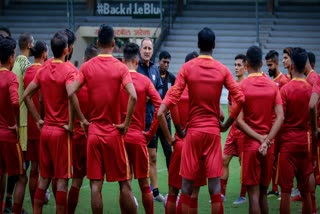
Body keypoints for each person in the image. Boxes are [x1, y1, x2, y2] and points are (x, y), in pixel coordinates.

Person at [157, 27, 245, 213]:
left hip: (193, 133)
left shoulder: (187, 68)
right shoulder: (222, 69)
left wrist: (180, 129)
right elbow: (240, 98)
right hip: (213, 132)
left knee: (186, 187)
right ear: (214, 45)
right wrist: (226, 125)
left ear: (198, 44)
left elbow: (173, 98)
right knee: (214, 187)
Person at [67, 24, 138, 214]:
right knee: (124, 184)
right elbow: (134, 96)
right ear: (114, 44)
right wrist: (126, 124)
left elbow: (70, 90)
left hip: (94, 134)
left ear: (98, 43)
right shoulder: (121, 67)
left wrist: (82, 119)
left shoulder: (87, 66)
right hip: (114, 132)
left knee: (95, 186)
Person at [23, 31, 79, 214]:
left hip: (45, 130)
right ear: (66, 50)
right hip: (61, 133)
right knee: (62, 181)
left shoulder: (43, 68)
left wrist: (39, 119)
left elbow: (26, 96)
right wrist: (71, 124)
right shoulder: (69, 70)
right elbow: (72, 95)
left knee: (43, 178)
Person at [121, 42, 169, 214]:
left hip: (120, 137)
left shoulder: (118, 79)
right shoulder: (144, 81)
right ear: (137, 59)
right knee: (144, 184)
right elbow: (162, 107)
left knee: (124, 184)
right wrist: (149, 132)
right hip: (139, 135)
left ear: (123, 60)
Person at [236, 46, 284, 214]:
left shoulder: (241, 86)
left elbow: (239, 121)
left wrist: (259, 139)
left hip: (250, 145)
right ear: (262, 63)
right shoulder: (272, 86)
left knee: (253, 195)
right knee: (263, 193)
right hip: (268, 147)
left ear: (247, 64)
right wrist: (267, 140)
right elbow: (280, 117)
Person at [164, 51, 207, 214]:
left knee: (173, 192)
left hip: (180, 144)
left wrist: (169, 138)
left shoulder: (176, 89)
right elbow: (221, 114)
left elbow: (160, 113)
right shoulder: (203, 91)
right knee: (192, 194)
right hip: (198, 145)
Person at [277, 47, 313, 214]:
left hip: (288, 144)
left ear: (291, 64)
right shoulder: (311, 90)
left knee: (285, 191)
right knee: (306, 191)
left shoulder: (285, 90)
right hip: (305, 143)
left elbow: (280, 119)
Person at [67, 44, 98, 214]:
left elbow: (70, 98)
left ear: (85, 59)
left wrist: (73, 124)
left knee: (76, 182)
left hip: (78, 137)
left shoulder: (75, 82)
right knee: (95, 183)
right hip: (95, 137)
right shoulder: (98, 84)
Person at [5, 32, 33, 214]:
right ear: (30, 44)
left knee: (11, 168)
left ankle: (7, 201)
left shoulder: (11, 65)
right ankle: (11, 206)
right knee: (22, 170)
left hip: (9, 120)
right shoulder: (25, 64)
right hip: (22, 123)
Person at [0, 35, 28, 214]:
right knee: (21, 176)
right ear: (11, 58)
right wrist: (16, 123)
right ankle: (15, 210)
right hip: (9, 137)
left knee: (0, 174)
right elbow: (15, 102)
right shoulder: (11, 77)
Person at [137, 37, 165, 202]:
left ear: (152, 50)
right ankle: (132, 191)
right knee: (138, 159)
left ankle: (155, 193)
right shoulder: (135, 68)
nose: (147, 51)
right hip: (137, 121)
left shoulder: (155, 69)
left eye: (149, 48)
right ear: (140, 51)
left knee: (153, 157)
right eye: (144, 48)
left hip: (151, 121)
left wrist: (154, 96)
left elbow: (161, 90)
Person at [23, 40, 48, 209]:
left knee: (33, 169)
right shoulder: (44, 72)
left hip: (28, 126)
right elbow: (44, 100)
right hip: (43, 125)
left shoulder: (27, 72)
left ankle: (34, 205)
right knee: (46, 170)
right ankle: (42, 199)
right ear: (45, 54)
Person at [221, 54, 247, 205]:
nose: (236, 68)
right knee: (224, 160)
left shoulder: (248, 85)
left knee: (244, 164)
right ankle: (222, 194)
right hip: (233, 130)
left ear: (245, 66)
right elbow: (231, 106)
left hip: (245, 132)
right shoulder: (233, 87)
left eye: (239, 65)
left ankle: (242, 195)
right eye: (235, 65)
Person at [264, 50, 289, 198]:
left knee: (279, 157)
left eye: (271, 65)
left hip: (280, 127)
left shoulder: (284, 81)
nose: (269, 68)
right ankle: (274, 188)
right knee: (272, 157)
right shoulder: (270, 81)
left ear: (277, 62)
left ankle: (283, 188)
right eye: (267, 65)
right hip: (270, 125)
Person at [156, 50, 175, 169]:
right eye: (164, 62)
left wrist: (171, 112)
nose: (166, 65)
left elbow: (176, 97)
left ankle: (172, 180)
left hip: (166, 120)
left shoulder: (172, 78)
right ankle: (152, 185)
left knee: (169, 151)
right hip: (153, 118)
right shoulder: (153, 74)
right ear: (159, 61)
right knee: (152, 153)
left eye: (168, 62)